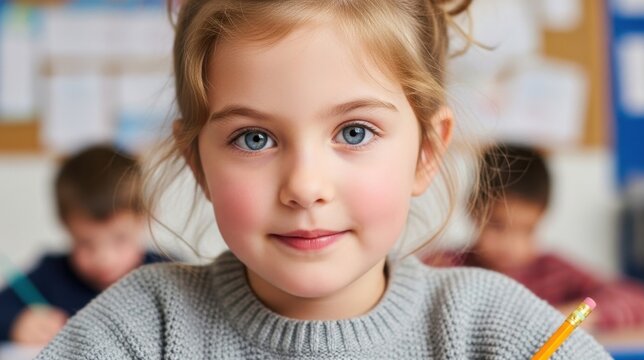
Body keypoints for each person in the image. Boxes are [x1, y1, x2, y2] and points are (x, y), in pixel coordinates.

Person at [37, 1, 611, 358]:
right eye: (254, 138)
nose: (305, 186)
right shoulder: (143, 326)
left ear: (427, 152)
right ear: (198, 164)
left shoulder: (491, 327)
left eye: (355, 132)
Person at [423, 143, 644, 331]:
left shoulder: (554, 271)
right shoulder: (444, 266)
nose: (511, 245)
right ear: (473, 209)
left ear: (542, 218)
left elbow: (643, 302)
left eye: (527, 230)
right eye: (497, 226)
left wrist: (576, 316)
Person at [0, 145, 167, 346]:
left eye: (120, 239)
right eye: (86, 243)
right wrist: (16, 323)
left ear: (147, 217)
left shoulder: (170, 275)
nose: (104, 257)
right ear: (65, 225)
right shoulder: (50, 274)